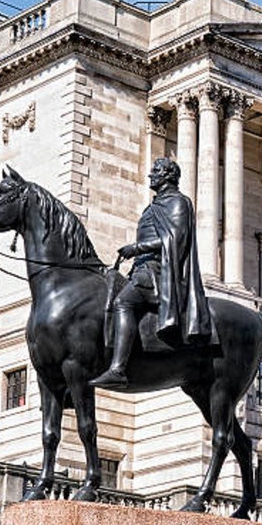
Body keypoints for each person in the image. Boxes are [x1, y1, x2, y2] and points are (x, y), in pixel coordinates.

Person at [89, 157, 213, 387]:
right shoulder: (154, 206)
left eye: (156, 171)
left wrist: (137, 248)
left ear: (168, 175)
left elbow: (175, 239)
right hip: (141, 268)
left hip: (159, 270)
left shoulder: (178, 202)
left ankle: (118, 369)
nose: (150, 175)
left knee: (123, 303)